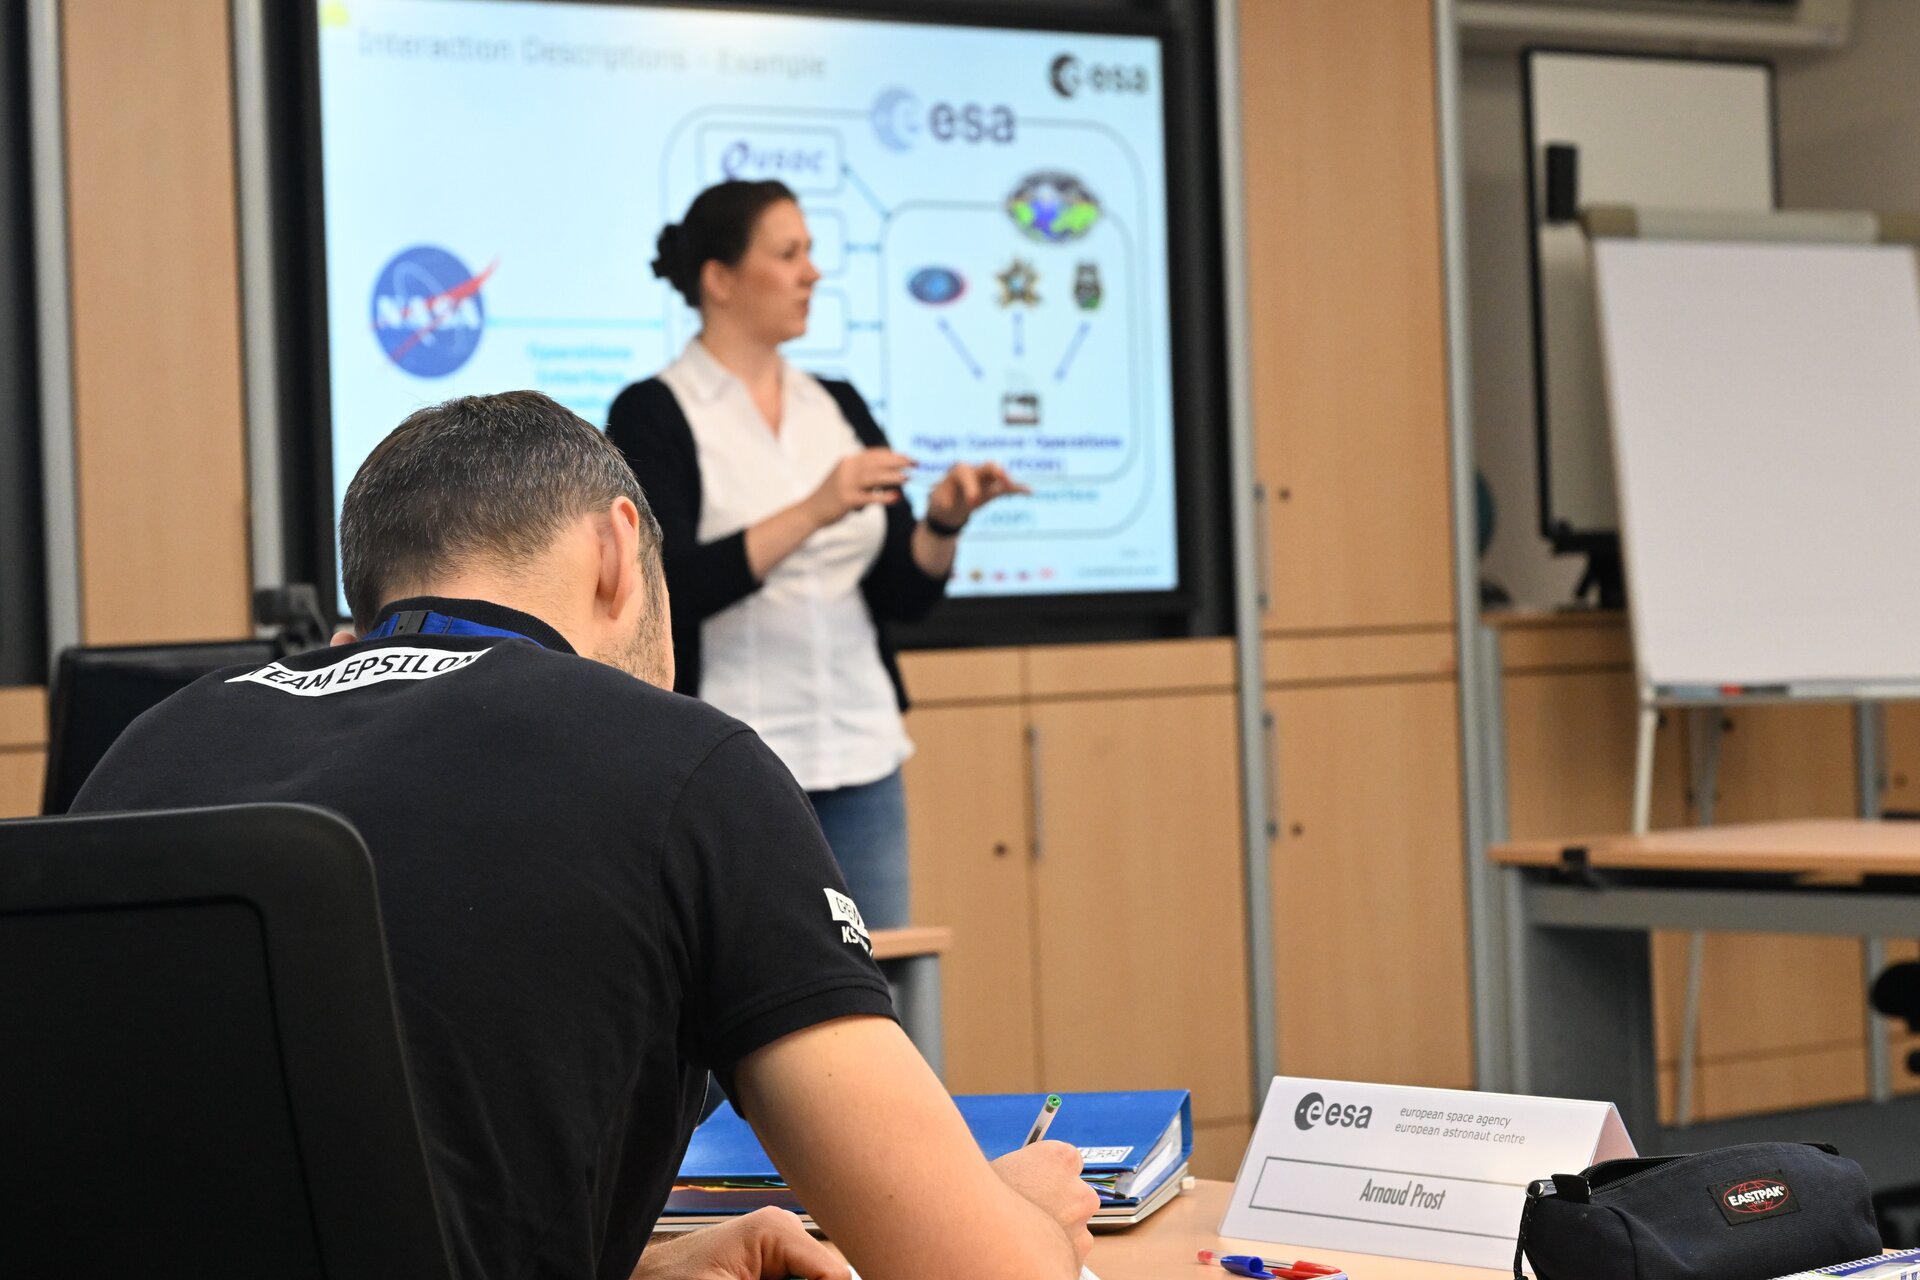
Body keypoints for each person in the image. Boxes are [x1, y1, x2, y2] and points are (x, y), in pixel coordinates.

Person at [70, 392, 1093, 1280]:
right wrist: (1030, 1213)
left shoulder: (152, 745)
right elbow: (968, 1263)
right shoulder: (684, 760)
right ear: (615, 550)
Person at [607, 179, 1027, 929]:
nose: (813, 273)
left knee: (879, 990)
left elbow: (903, 593)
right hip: (732, 762)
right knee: (746, 1005)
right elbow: (666, 588)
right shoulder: (653, 410)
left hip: (861, 754)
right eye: (789, 253)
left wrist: (942, 524)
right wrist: (812, 510)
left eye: (812, 253)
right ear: (720, 279)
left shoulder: (837, 401)